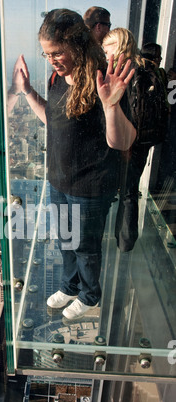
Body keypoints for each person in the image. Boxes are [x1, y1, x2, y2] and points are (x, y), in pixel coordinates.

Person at [9, 9, 136, 321]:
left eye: (58, 52)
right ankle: (69, 286)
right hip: (60, 181)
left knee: (86, 249)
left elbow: (123, 141)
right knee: (66, 242)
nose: (51, 60)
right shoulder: (57, 77)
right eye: (47, 53)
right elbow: (54, 122)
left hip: (90, 187)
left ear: (78, 44)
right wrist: (26, 92)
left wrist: (110, 106)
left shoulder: (102, 78)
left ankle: (90, 296)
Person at [103, 29, 167, 252]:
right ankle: (125, 243)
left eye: (107, 48)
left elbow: (123, 109)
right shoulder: (147, 67)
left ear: (118, 46)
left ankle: (122, 242)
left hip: (127, 140)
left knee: (125, 190)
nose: (105, 53)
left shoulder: (124, 72)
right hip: (145, 139)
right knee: (130, 190)